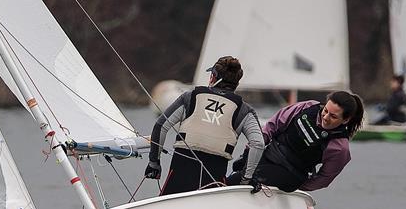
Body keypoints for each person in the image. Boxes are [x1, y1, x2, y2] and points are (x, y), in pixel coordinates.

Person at [144, 56, 265, 195]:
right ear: (236, 83)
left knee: (169, 208)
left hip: (181, 168)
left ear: (214, 77)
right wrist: (246, 179)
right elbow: (258, 144)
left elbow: (160, 126)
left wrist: (154, 163)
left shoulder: (190, 97)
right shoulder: (244, 110)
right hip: (214, 173)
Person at [229, 91, 364, 193]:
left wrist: (297, 187)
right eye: (325, 110)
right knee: (237, 168)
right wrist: (252, 149)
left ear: (345, 120)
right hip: (269, 154)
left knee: (238, 180)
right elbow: (273, 125)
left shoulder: (340, 148)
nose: (326, 117)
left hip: (290, 174)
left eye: (333, 116)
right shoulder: (308, 106)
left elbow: (324, 179)